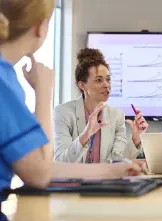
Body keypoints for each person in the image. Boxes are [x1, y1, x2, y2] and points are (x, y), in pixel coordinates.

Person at [0, 0, 145, 197]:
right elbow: (41, 172)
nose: (106, 85)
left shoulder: (7, 78)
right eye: (99, 80)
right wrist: (43, 92)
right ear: (41, 28)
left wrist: (114, 170)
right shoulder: (5, 86)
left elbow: (43, 167)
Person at [53, 48, 148, 163]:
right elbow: (61, 162)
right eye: (98, 80)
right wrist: (85, 135)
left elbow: (117, 161)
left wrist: (135, 140)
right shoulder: (63, 112)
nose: (106, 85)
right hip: (75, 179)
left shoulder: (117, 116)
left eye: (108, 79)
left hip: (104, 179)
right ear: (82, 85)